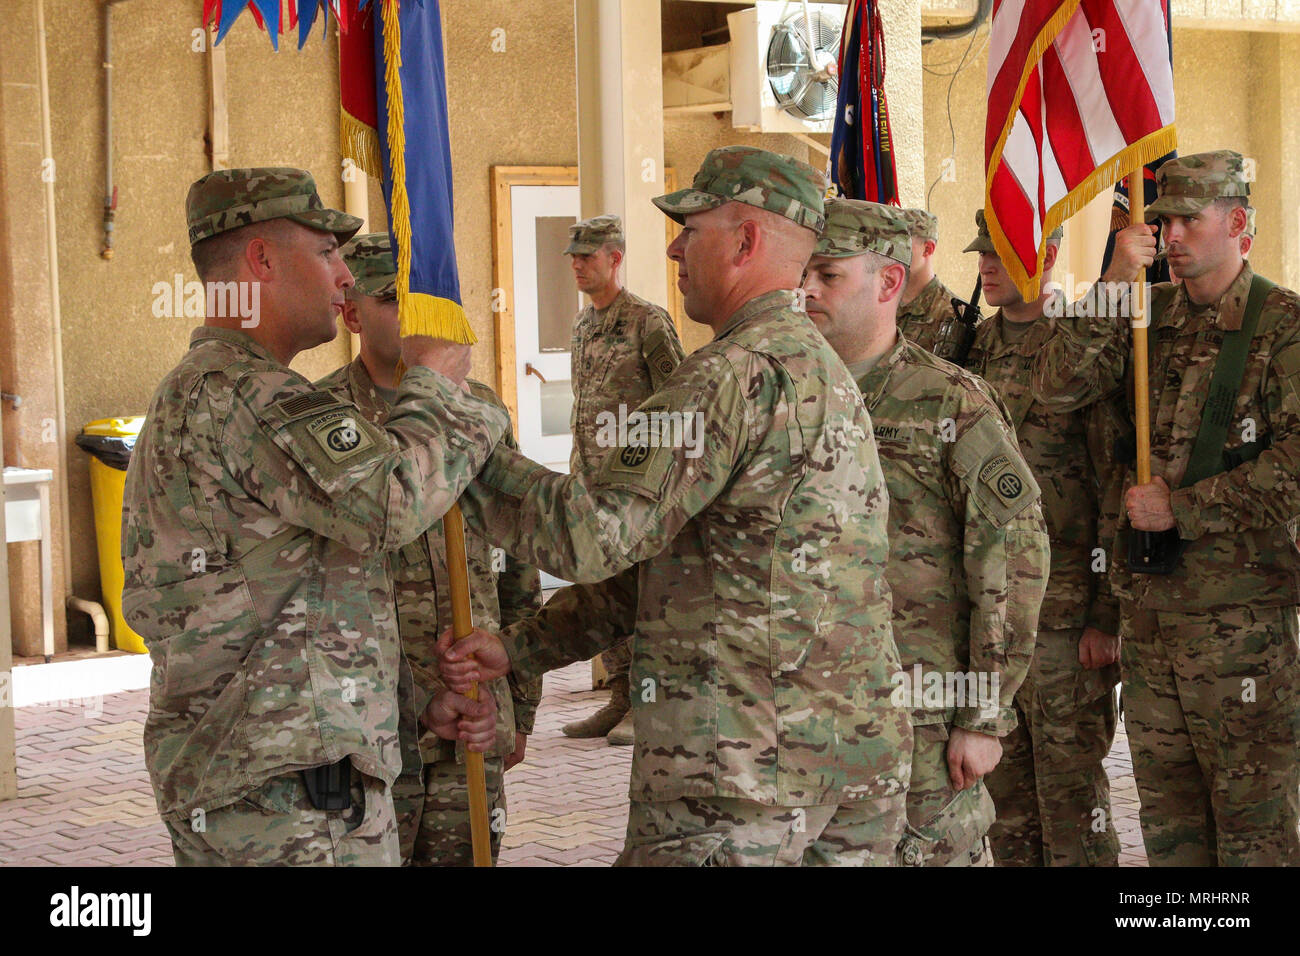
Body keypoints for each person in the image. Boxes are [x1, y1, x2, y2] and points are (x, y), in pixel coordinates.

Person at [437, 146, 912, 866]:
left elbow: (590, 535)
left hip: (735, 776)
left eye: (692, 229)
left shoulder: (731, 377)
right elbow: (666, 567)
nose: (673, 247)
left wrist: (456, 435)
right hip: (842, 763)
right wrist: (520, 646)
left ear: (747, 240)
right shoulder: (825, 371)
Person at [121, 168, 499, 866]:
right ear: (262, 259)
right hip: (293, 809)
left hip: (264, 789)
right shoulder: (252, 395)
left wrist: (407, 719)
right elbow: (392, 504)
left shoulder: (202, 390)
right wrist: (442, 390)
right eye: (328, 253)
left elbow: (289, 613)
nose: (345, 280)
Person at [1032, 150, 1300, 865]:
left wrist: (1186, 508)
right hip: (1149, 624)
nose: (1170, 233)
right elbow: (1058, 390)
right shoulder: (1145, 317)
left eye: (1188, 218)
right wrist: (1116, 282)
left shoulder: (1284, 328)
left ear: (1237, 223)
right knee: (1170, 828)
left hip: (1242, 631)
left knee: (1255, 833)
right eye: (1162, 219)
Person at [802, 197, 1049, 866]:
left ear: (887, 283)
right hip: (802, 715)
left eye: (826, 275)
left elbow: (1013, 556)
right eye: (802, 273)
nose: (806, 290)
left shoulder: (949, 402)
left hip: (923, 719)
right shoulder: (782, 395)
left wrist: (984, 716)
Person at [316, 233, 543, 865]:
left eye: (429, 299)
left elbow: (517, 560)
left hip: (472, 713)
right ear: (352, 313)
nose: (418, 317)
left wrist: (518, 704)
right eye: (394, 300)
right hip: (373, 726)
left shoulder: (478, 412)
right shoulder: (323, 418)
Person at [962, 211, 1123, 866]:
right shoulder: (972, 349)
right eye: (983, 254)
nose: (987, 266)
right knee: (1005, 806)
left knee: (1072, 799)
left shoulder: (1078, 348)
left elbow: (1112, 481)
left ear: (1050, 253)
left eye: (1004, 253)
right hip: (993, 620)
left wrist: (1106, 615)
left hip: (1063, 622)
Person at [560, 214, 685, 746]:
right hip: (590, 485)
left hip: (635, 491)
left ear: (616, 258)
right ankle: (618, 697)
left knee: (643, 600)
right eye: (574, 256)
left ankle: (648, 706)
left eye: (588, 256)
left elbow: (678, 401)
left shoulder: (648, 323)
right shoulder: (583, 326)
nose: (578, 265)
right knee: (602, 593)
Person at [895, 208, 977, 361]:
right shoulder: (883, 304)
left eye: (901, 245)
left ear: (927, 249)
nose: (892, 252)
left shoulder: (956, 315)